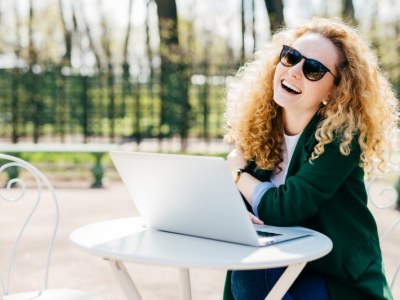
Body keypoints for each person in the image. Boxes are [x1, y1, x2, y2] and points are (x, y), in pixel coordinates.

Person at [223, 17, 399, 300]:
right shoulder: (258, 128)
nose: (294, 71)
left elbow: (284, 209)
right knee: (250, 268)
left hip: (334, 278)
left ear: (336, 89)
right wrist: (233, 212)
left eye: (313, 69)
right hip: (278, 264)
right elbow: (245, 208)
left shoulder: (342, 137)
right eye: (291, 57)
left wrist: (237, 174)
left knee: (252, 272)